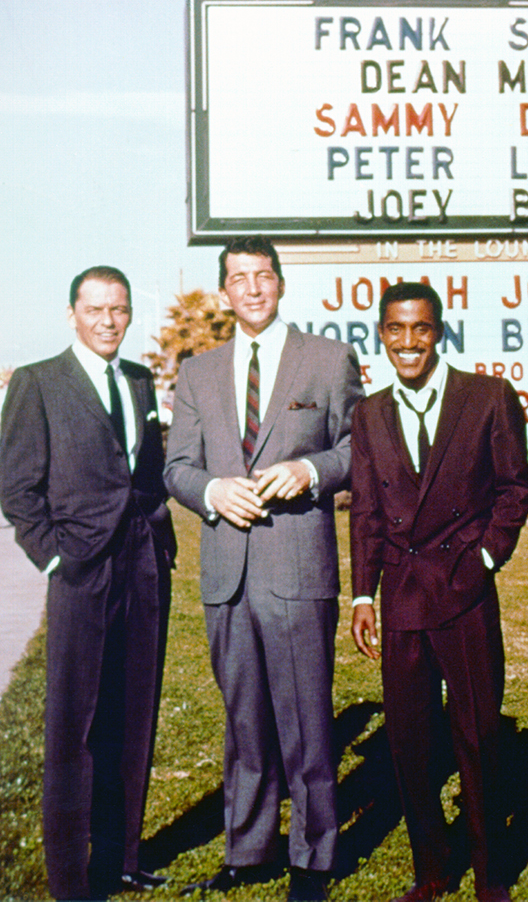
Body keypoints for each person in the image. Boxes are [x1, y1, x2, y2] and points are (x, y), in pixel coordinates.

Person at [165, 237, 363, 901]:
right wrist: (211, 492)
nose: (251, 288)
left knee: (306, 717)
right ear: (225, 289)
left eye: (263, 276)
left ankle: (313, 856)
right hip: (227, 571)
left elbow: (358, 446)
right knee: (244, 719)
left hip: (297, 566)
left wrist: (309, 471)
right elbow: (176, 467)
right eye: (238, 278)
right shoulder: (196, 372)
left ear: (280, 282)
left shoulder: (327, 359)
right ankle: (248, 850)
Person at [350, 282, 528, 902]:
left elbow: (515, 488)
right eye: (396, 330)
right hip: (401, 595)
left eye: (420, 329)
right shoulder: (368, 412)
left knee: (478, 733)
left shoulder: (486, 397)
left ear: (439, 331)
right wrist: (361, 595)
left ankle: (490, 871)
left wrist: (485, 556)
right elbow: (367, 514)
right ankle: (432, 868)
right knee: (409, 738)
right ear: (381, 333)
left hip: (465, 591)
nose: (408, 342)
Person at [0, 266, 175, 901]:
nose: (108, 321)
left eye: (119, 310)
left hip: (143, 569)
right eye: (95, 309)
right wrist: (55, 559)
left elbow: (144, 474)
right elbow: (18, 490)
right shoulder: (38, 382)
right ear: (71, 313)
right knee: (75, 725)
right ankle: (73, 879)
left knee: (134, 716)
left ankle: (122, 858)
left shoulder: (139, 379)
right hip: (81, 574)